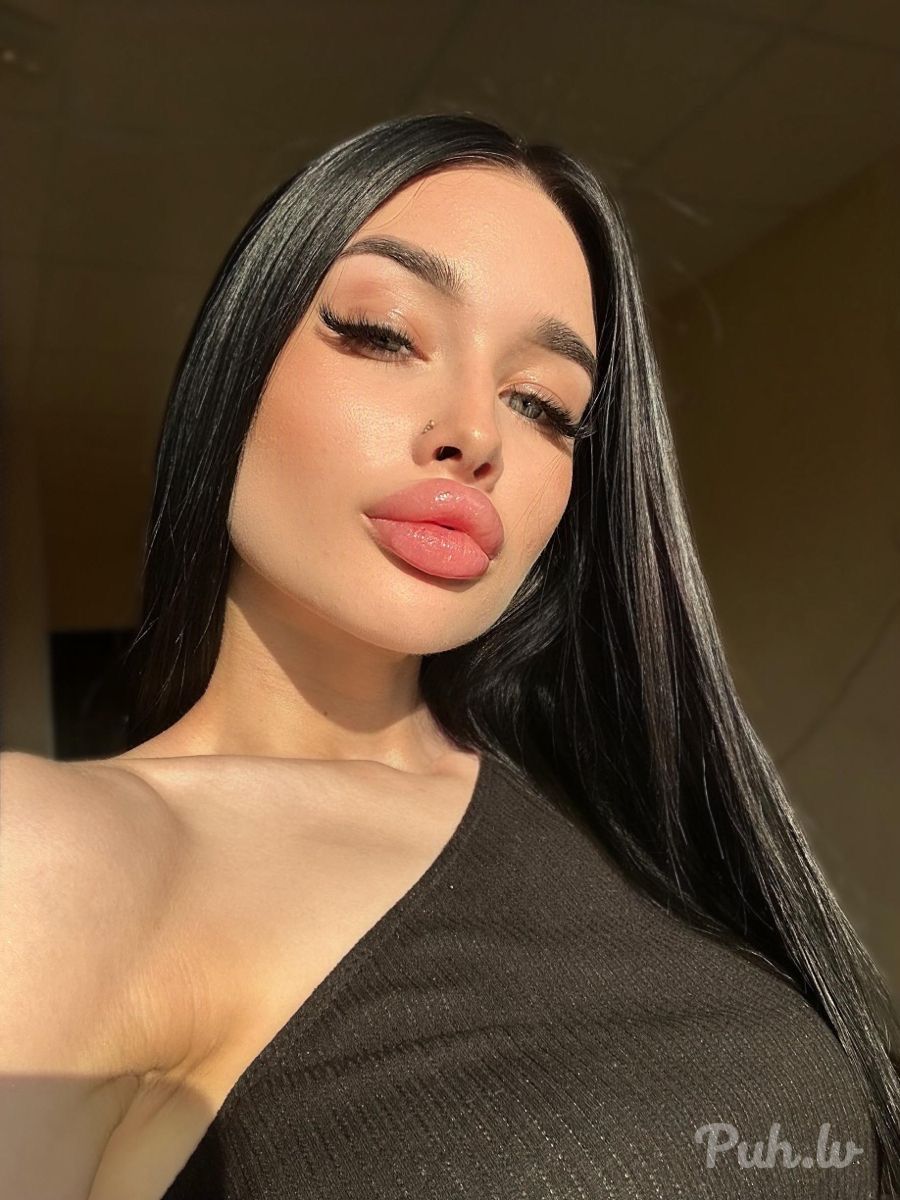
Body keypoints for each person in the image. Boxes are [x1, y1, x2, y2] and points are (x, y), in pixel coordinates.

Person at [2, 112, 898, 1199]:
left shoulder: (615, 808)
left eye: (543, 404)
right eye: (383, 333)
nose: (477, 433)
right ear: (234, 363)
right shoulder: (56, 860)